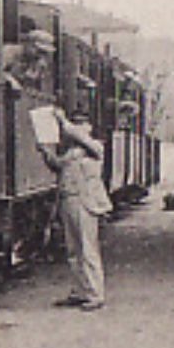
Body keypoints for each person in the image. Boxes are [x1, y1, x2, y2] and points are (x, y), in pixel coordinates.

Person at [41, 108, 112, 310]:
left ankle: (96, 294)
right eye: (76, 122)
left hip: (86, 202)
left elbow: (77, 136)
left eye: (82, 123)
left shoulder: (95, 146)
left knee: (88, 249)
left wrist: (64, 122)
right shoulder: (72, 152)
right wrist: (46, 152)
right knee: (74, 250)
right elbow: (57, 166)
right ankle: (80, 291)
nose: (79, 127)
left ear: (88, 127)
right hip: (69, 200)